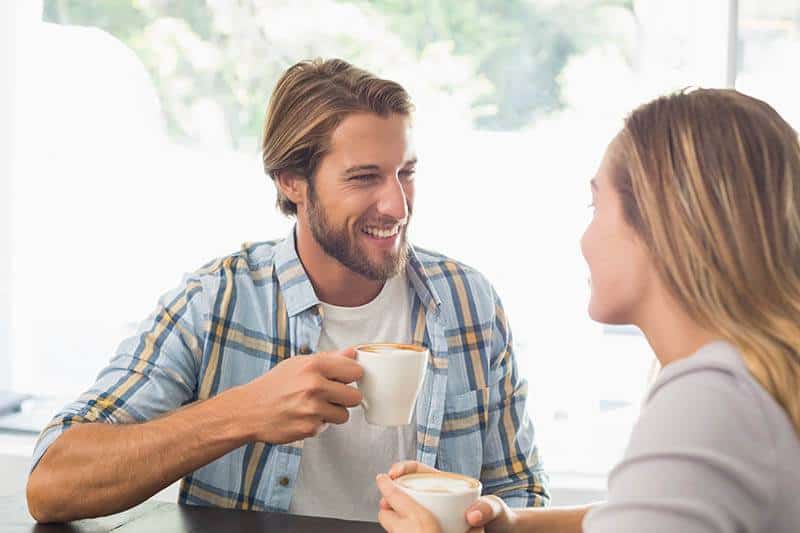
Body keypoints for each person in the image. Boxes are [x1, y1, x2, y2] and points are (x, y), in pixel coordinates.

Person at [25, 58, 549, 523]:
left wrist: (490, 518)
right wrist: (242, 413)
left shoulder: (467, 301)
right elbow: (52, 483)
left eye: (405, 173)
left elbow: (521, 492)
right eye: (365, 178)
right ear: (291, 182)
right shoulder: (217, 301)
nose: (397, 206)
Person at [375, 88, 800, 533]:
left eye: (597, 206)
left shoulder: (708, 402)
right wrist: (513, 523)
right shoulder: (751, 384)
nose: (585, 240)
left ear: (662, 225)